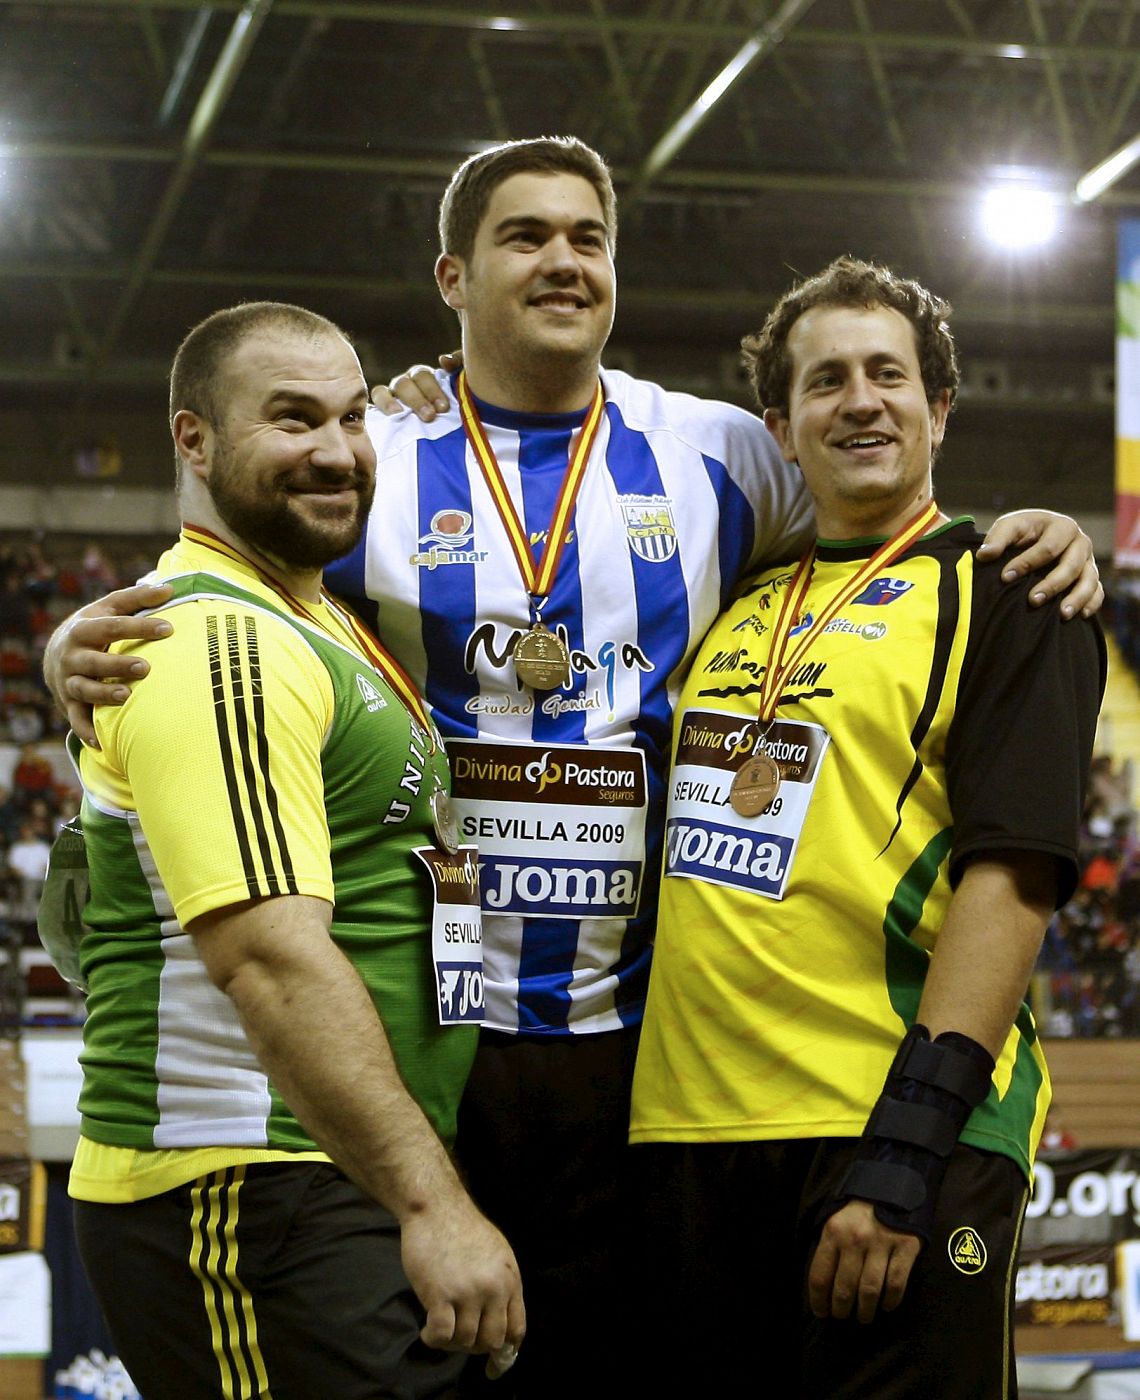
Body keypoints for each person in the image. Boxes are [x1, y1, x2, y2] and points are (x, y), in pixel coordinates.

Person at [47, 140, 1102, 1396]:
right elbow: (240, 560)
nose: (562, 260)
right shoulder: (375, 441)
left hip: (633, 1043)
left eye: (586, 237)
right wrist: (82, 643)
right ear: (454, 273)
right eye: (525, 236)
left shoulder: (717, 451)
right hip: (440, 1034)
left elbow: (875, 488)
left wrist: (1039, 535)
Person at [628, 256, 1106, 1398]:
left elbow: (1016, 878)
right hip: (690, 1135)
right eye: (826, 380)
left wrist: (907, 1146)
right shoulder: (730, 601)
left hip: (883, 1126)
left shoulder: (1011, 588)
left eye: (889, 375)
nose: (860, 399)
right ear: (781, 430)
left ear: (938, 409)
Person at [59, 301, 523, 1400]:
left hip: (328, 1172)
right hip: (245, 1178)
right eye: (292, 418)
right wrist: (432, 1201)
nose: (336, 449)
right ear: (194, 440)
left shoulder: (321, 616)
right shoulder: (218, 638)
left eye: (352, 415)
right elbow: (269, 956)